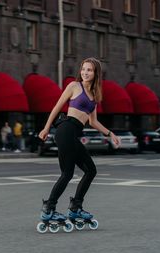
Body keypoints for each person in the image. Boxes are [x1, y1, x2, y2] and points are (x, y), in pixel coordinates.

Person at [38, 57, 121, 225]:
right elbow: (57, 106)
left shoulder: (94, 96)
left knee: (90, 171)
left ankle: (75, 208)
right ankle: (50, 209)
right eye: (83, 69)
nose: (85, 72)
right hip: (65, 129)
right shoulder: (74, 86)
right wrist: (46, 128)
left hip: (72, 134)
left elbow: (93, 122)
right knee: (68, 173)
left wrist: (110, 133)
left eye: (89, 70)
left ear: (96, 72)